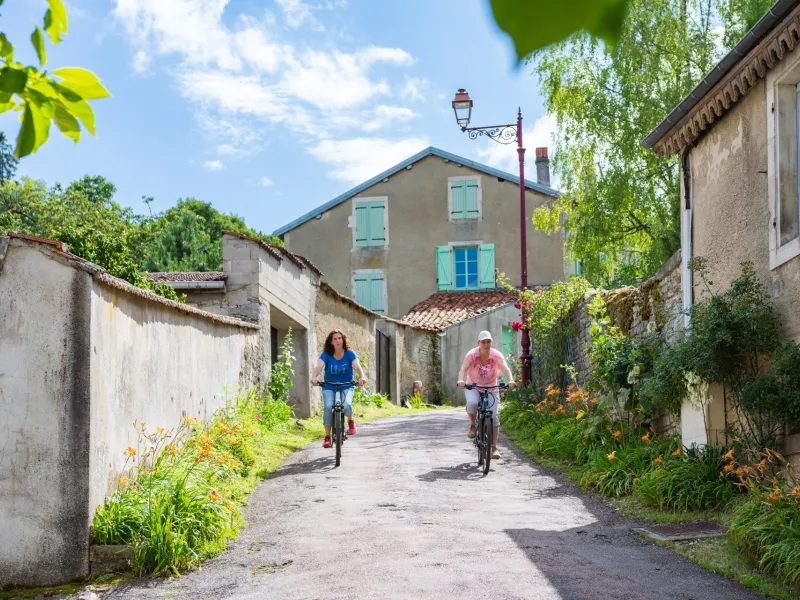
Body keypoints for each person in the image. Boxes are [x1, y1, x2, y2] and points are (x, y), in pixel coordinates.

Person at [457, 330, 516, 460]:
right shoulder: (472, 354)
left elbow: (505, 369)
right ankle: (473, 424)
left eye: (488, 341)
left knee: (493, 416)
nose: (486, 344)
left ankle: (494, 447)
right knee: (472, 403)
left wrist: (510, 380)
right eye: (483, 342)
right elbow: (463, 369)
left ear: (491, 342)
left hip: (491, 387)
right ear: (479, 343)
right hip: (473, 385)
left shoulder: (496, 355)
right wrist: (461, 380)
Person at [310, 329, 367, 449]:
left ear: (343, 340)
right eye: (335, 339)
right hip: (329, 385)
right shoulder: (326, 354)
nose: (337, 341)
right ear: (331, 342)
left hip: (347, 385)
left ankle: (350, 420)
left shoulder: (349, 353)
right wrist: (314, 377)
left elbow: (357, 366)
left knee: (346, 405)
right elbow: (319, 366)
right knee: (327, 407)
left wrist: (362, 377)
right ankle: (327, 437)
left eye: (339, 338)